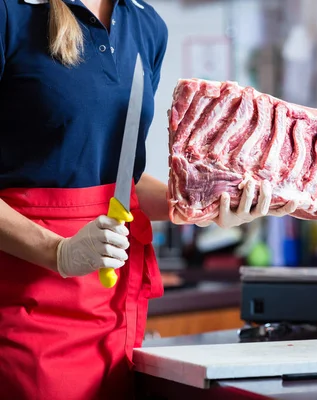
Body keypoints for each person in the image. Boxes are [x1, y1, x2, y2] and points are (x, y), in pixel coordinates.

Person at [0, 0, 297, 398]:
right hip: (24, 304)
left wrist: (204, 203)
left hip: (112, 308)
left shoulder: (145, 25)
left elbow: (120, 184)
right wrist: (60, 252)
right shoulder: (10, 13)